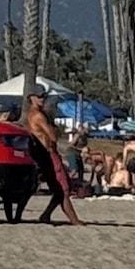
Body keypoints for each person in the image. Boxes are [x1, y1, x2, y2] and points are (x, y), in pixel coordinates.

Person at [23, 88, 83, 225]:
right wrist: (56, 129)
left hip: (44, 153)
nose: (42, 99)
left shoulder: (32, 114)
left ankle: (46, 215)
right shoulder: (38, 115)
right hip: (49, 154)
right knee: (64, 188)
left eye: (43, 96)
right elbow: (53, 137)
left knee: (59, 189)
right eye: (39, 96)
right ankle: (74, 221)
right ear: (31, 98)